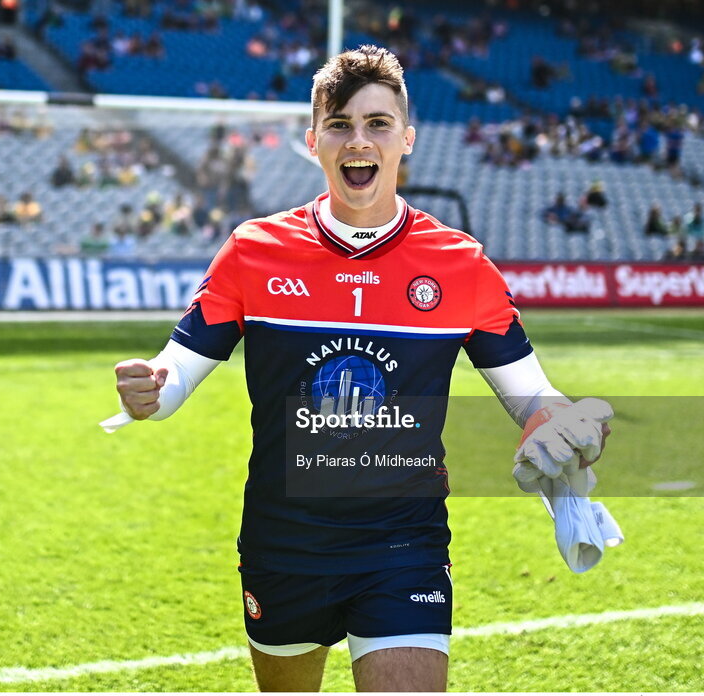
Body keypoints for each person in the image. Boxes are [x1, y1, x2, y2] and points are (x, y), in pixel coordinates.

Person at [109, 45, 611, 692]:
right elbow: (176, 373)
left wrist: (562, 424)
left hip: (403, 546)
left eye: (378, 124)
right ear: (314, 140)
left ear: (407, 140)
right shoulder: (253, 252)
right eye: (341, 124)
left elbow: (530, 393)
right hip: (284, 541)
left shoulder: (461, 264)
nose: (359, 139)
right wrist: (151, 388)